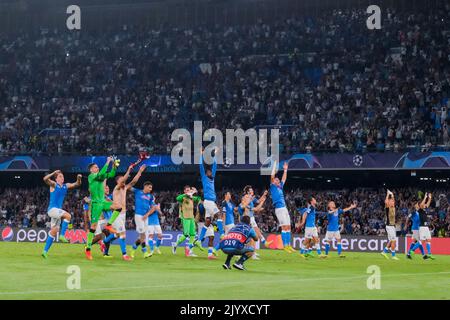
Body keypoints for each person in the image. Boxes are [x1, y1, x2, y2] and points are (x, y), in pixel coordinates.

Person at [103, 164, 147, 261]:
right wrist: (129, 170)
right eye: (122, 179)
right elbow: (124, 180)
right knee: (123, 234)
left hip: (123, 214)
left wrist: (140, 172)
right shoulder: (116, 188)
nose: (124, 181)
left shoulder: (125, 188)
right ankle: (124, 255)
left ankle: (106, 241)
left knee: (118, 234)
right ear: (118, 181)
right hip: (117, 214)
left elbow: (134, 181)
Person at [85, 157, 122, 260]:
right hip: (96, 204)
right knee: (93, 227)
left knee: (118, 207)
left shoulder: (100, 177)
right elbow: (101, 174)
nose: (97, 168)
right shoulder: (91, 176)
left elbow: (111, 174)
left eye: (97, 167)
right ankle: (87, 248)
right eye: (95, 167)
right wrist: (108, 162)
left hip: (103, 202)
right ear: (91, 169)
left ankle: (109, 225)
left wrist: (114, 166)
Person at [41, 170, 82, 258]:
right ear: (56, 179)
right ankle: (62, 235)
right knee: (68, 216)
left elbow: (77, 184)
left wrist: (79, 178)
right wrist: (53, 172)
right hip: (52, 210)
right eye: (60, 176)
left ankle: (44, 251)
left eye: (62, 176)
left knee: (54, 231)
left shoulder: (65, 186)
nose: (62, 178)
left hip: (57, 211)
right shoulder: (54, 185)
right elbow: (45, 179)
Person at [198, 148, 220, 259]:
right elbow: (201, 166)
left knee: (208, 221)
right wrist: (201, 155)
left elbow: (215, 165)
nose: (210, 172)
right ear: (206, 174)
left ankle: (206, 251)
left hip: (211, 202)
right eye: (208, 172)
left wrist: (215, 155)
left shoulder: (213, 179)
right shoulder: (204, 178)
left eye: (210, 171)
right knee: (219, 216)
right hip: (208, 201)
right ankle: (222, 234)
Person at [269, 161, 294, 253]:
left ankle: (288, 245)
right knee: (284, 227)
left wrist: (285, 170)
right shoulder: (273, 187)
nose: (278, 181)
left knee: (288, 227)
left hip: (284, 208)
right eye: (276, 180)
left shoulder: (280, 187)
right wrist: (274, 167)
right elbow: (272, 176)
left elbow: (284, 179)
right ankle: (285, 246)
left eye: (278, 180)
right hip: (279, 209)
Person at [172, 186, 203, 257]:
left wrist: (196, 192)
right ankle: (175, 244)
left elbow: (199, 199)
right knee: (186, 234)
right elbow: (177, 198)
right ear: (185, 191)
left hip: (191, 218)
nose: (189, 191)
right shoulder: (183, 198)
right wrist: (187, 194)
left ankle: (190, 251)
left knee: (192, 234)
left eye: (189, 190)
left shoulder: (191, 198)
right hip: (185, 218)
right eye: (187, 190)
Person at [130, 181, 154, 258]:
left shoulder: (150, 196)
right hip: (138, 215)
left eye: (151, 188)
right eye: (149, 187)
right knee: (142, 234)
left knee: (142, 236)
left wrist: (147, 215)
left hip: (145, 217)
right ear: (145, 186)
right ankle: (144, 251)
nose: (150, 189)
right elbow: (128, 187)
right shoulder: (137, 192)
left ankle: (133, 248)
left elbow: (153, 207)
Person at [380, 190, 399, 260]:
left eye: (393, 201)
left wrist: (392, 195)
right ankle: (393, 256)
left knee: (391, 240)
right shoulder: (388, 208)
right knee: (394, 241)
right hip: (389, 226)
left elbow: (393, 200)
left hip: (393, 226)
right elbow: (386, 202)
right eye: (391, 201)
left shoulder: (393, 208)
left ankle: (384, 252)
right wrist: (388, 194)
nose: (392, 202)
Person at [417, 193, 435, 260]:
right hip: (422, 227)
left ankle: (429, 254)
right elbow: (422, 204)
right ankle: (411, 251)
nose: (425, 205)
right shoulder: (420, 210)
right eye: (424, 204)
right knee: (422, 241)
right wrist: (425, 197)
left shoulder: (424, 209)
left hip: (426, 227)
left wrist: (429, 198)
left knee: (429, 240)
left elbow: (428, 204)